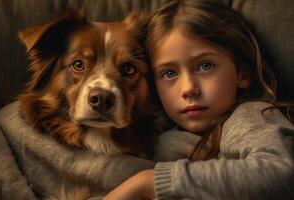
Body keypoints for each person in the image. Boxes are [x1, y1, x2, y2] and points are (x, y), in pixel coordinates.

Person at [103, 0, 294, 199]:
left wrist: (148, 182)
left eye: (205, 66)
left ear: (243, 73)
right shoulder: (160, 133)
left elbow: (281, 173)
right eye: (169, 74)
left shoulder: (250, 115)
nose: (188, 89)